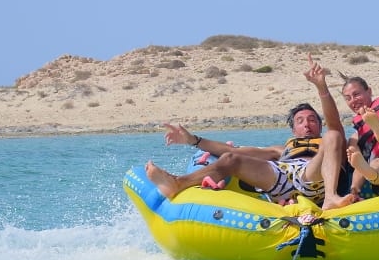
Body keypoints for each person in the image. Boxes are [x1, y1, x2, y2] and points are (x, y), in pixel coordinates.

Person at [145, 58, 347, 210]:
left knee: (334, 136)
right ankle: (178, 183)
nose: (307, 125)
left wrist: (321, 87)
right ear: (293, 130)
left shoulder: (328, 141)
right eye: (300, 121)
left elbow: (335, 126)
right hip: (281, 179)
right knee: (231, 158)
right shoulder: (280, 150)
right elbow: (231, 149)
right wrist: (192, 140)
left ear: (319, 126)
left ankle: (330, 198)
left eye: (312, 120)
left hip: (312, 176)